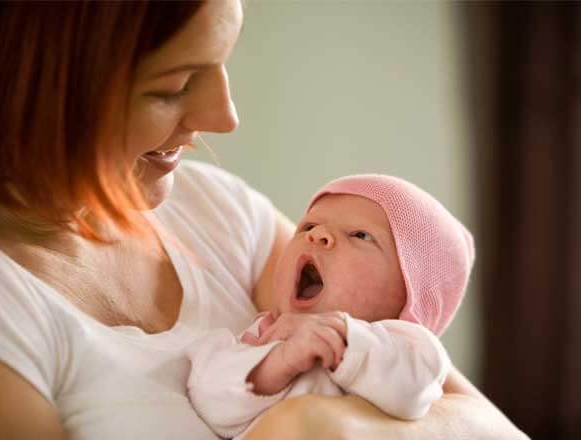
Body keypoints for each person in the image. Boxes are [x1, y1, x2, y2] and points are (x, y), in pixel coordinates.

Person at [0, 1, 527, 439]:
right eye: (173, 87)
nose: (224, 117)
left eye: (221, 65)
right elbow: (223, 387)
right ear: (21, 88)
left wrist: (316, 425)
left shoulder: (213, 211)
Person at [187, 174, 474, 439]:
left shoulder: (410, 349)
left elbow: (413, 391)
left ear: (410, 294)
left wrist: (344, 340)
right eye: (308, 226)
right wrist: (275, 364)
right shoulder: (262, 338)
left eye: (360, 235)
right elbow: (210, 402)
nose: (318, 234)